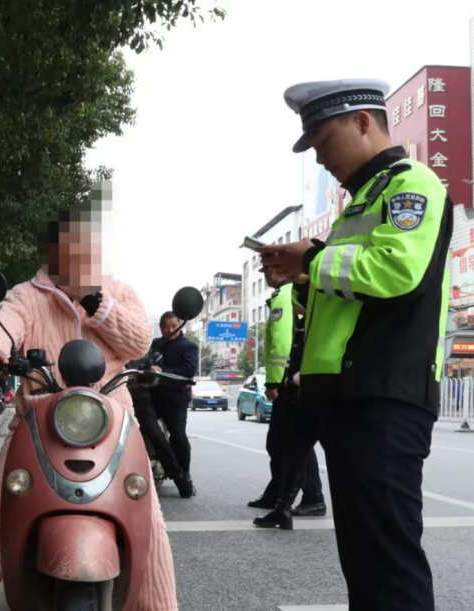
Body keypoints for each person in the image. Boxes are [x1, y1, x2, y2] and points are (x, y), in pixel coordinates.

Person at [258, 79, 452, 611]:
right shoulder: (358, 204)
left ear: (363, 122)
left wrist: (311, 259)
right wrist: (301, 275)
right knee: (366, 564)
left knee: (389, 566)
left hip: (382, 397)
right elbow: (347, 298)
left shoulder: (412, 183)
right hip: (347, 399)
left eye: (324, 142)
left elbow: (397, 273)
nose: (321, 159)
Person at [0, 183, 179, 611]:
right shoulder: (28, 294)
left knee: (147, 515)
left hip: (113, 421)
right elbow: (6, 322)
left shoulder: (117, 292)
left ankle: (157, 605)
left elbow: (137, 343)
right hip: (40, 419)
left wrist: (95, 303)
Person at [247, 268, 325, 517]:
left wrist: (273, 382)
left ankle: (312, 497)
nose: (266, 274)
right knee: (284, 442)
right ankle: (280, 493)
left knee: (293, 443)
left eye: (268, 268)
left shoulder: (284, 294)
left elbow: (281, 343)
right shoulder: (293, 294)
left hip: (288, 381)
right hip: (295, 377)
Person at [149, 311, 198, 498]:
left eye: (173, 326)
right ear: (160, 327)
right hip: (152, 396)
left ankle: (185, 476)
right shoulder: (154, 345)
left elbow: (188, 370)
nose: (169, 330)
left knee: (178, 436)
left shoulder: (189, 346)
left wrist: (161, 372)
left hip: (176, 398)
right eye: (165, 326)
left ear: (179, 325)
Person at [126, 354, 189, 494]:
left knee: (154, 433)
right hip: (109, 396)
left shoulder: (138, 351)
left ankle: (178, 476)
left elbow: (150, 366)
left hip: (137, 396)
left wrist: (150, 372)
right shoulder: (101, 352)